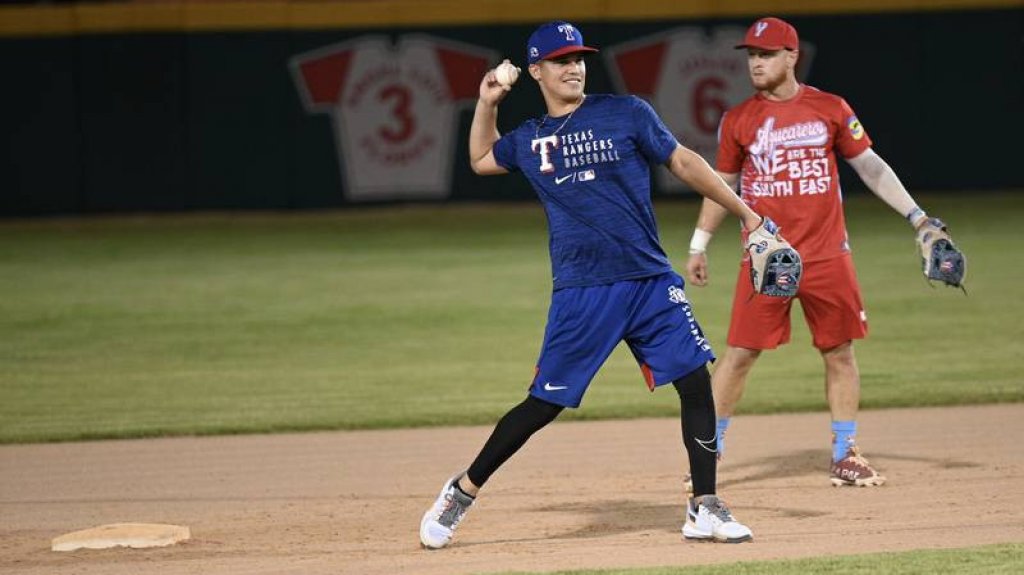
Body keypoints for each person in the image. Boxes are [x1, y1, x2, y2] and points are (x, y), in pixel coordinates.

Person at [419, 20, 792, 549]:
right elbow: (481, 159)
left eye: (579, 58)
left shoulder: (626, 112)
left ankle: (704, 504)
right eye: (560, 60)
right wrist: (488, 103)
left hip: (649, 280)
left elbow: (683, 160)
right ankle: (461, 490)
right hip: (582, 290)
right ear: (537, 71)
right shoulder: (531, 140)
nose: (573, 67)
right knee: (543, 405)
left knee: (693, 381)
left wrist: (747, 215)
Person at [685, 16, 946, 487]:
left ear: (791, 57)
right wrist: (698, 244)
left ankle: (845, 454)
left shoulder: (829, 108)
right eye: (751, 56)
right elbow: (722, 184)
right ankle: (709, 453)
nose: (756, 64)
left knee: (839, 352)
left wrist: (918, 217)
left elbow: (871, 167)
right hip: (767, 258)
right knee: (740, 354)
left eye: (766, 54)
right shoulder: (739, 119)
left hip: (828, 255)